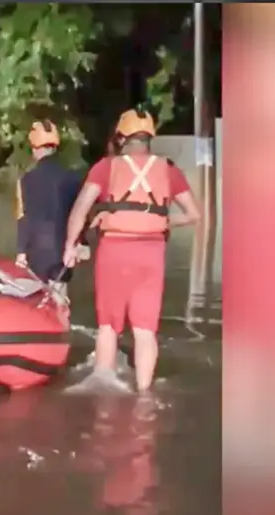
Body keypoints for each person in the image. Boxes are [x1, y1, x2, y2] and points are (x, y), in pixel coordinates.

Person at [62, 108, 201, 392]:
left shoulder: (105, 167)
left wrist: (70, 246)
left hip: (114, 251)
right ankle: (144, 394)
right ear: (150, 138)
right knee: (145, 331)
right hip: (152, 255)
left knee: (108, 327)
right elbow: (194, 214)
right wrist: (159, 221)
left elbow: (79, 211)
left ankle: (103, 391)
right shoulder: (169, 169)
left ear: (121, 138)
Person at [15, 119, 90, 299]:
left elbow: (23, 217)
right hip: (63, 248)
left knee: (39, 302)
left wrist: (21, 251)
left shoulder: (26, 179)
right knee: (60, 299)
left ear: (34, 147)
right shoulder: (73, 177)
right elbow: (80, 212)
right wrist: (81, 243)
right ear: (55, 147)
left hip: (37, 251)